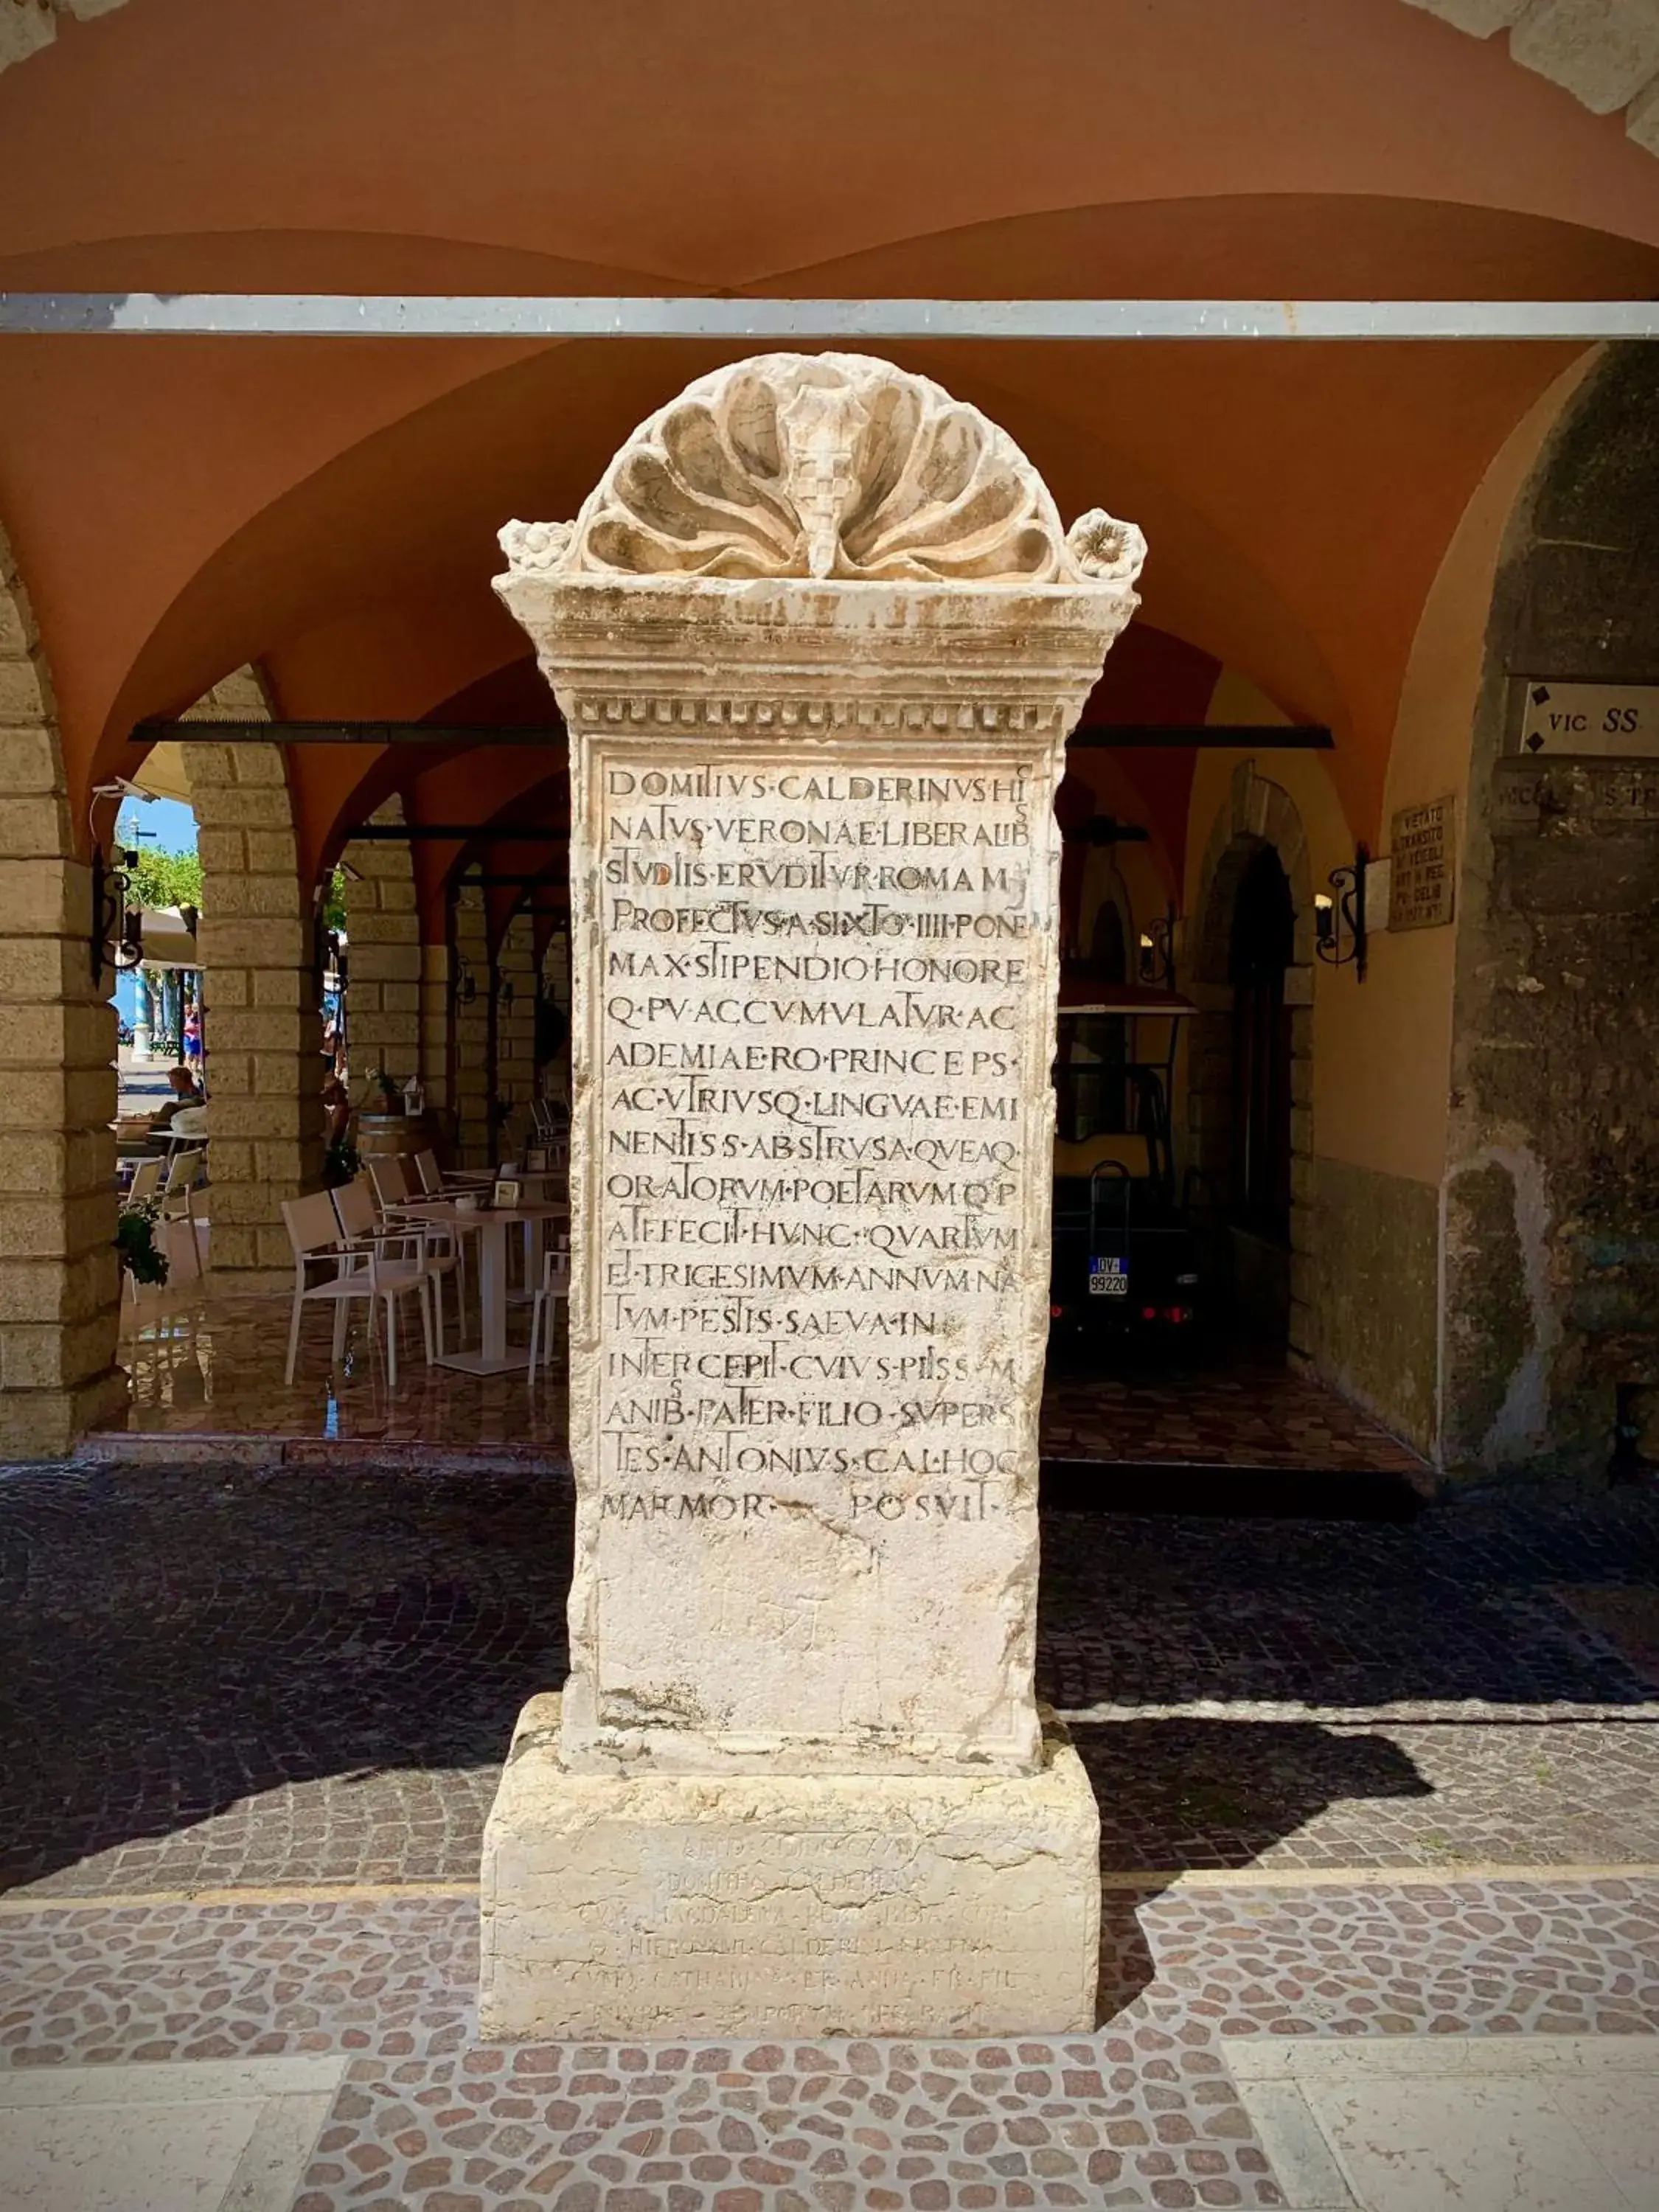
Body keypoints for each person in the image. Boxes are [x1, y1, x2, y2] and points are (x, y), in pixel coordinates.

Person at [147, 1063, 204, 1135]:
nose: (172, 1086)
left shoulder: (193, 1095)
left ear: (183, 1081)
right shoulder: (183, 1093)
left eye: (174, 1083)